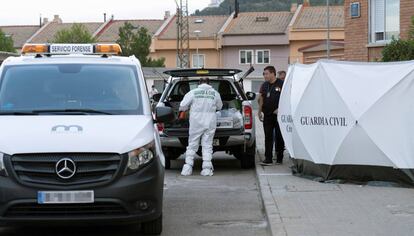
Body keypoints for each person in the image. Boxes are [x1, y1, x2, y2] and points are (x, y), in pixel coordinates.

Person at [179, 78, 223, 176]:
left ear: (199, 83)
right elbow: (220, 107)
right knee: (207, 145)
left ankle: (187, 168)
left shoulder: (193, 92)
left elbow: (182, 106)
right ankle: (207, 169)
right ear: (209, 83)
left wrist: (186, 109)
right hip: (210, 121)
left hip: (196, 122)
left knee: (192, 144)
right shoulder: (215, 93)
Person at [258, 66, 285, 166]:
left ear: (273, 73)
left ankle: (279, 158)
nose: (265, 76)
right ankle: (268, 158)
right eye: (264, 74)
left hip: (278, 115)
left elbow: (286, 98)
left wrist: (281, 108)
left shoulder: (281, 84)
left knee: (279, 137)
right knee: (268, 137)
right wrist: (259, 111)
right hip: (268, 115)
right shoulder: (264, 85)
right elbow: (261, 98)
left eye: (266, 73)